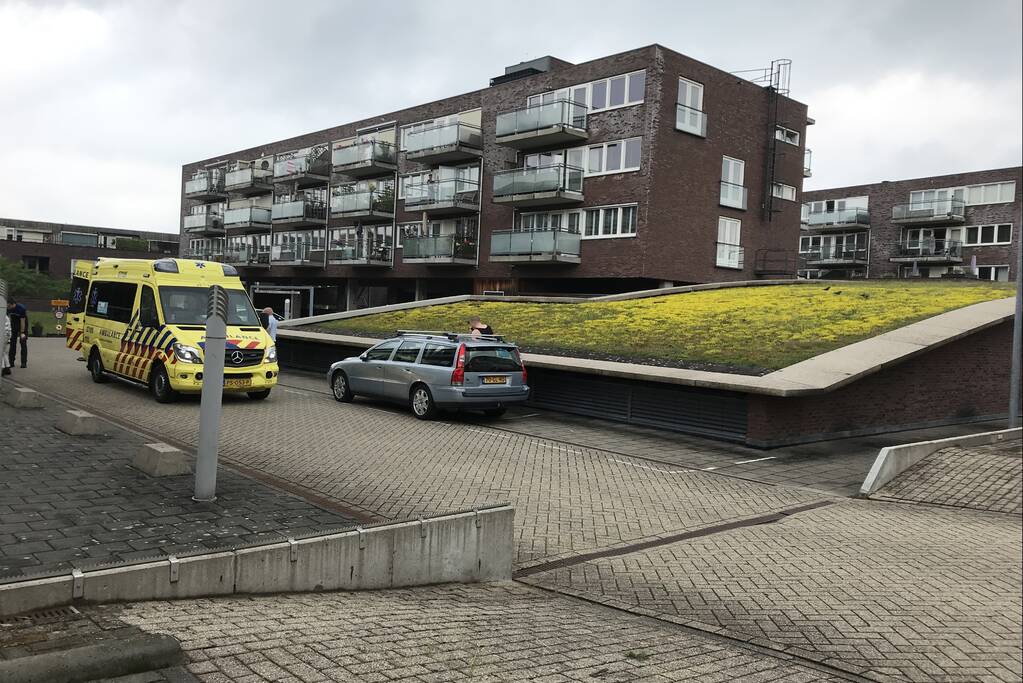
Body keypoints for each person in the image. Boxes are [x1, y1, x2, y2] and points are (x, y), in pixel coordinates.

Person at [7, 299, 28, 369]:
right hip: (14, 323)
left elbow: (23, 321)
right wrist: (9, 330)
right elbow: (8, 319)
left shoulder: (21, 308)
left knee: (23, 342)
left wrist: (22, 332)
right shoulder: (9, 309)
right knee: (12, 343)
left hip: (23, 323)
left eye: (9, 306)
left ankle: (23, 362)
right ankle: (11, 362)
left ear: (13, 304)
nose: (8, 307)